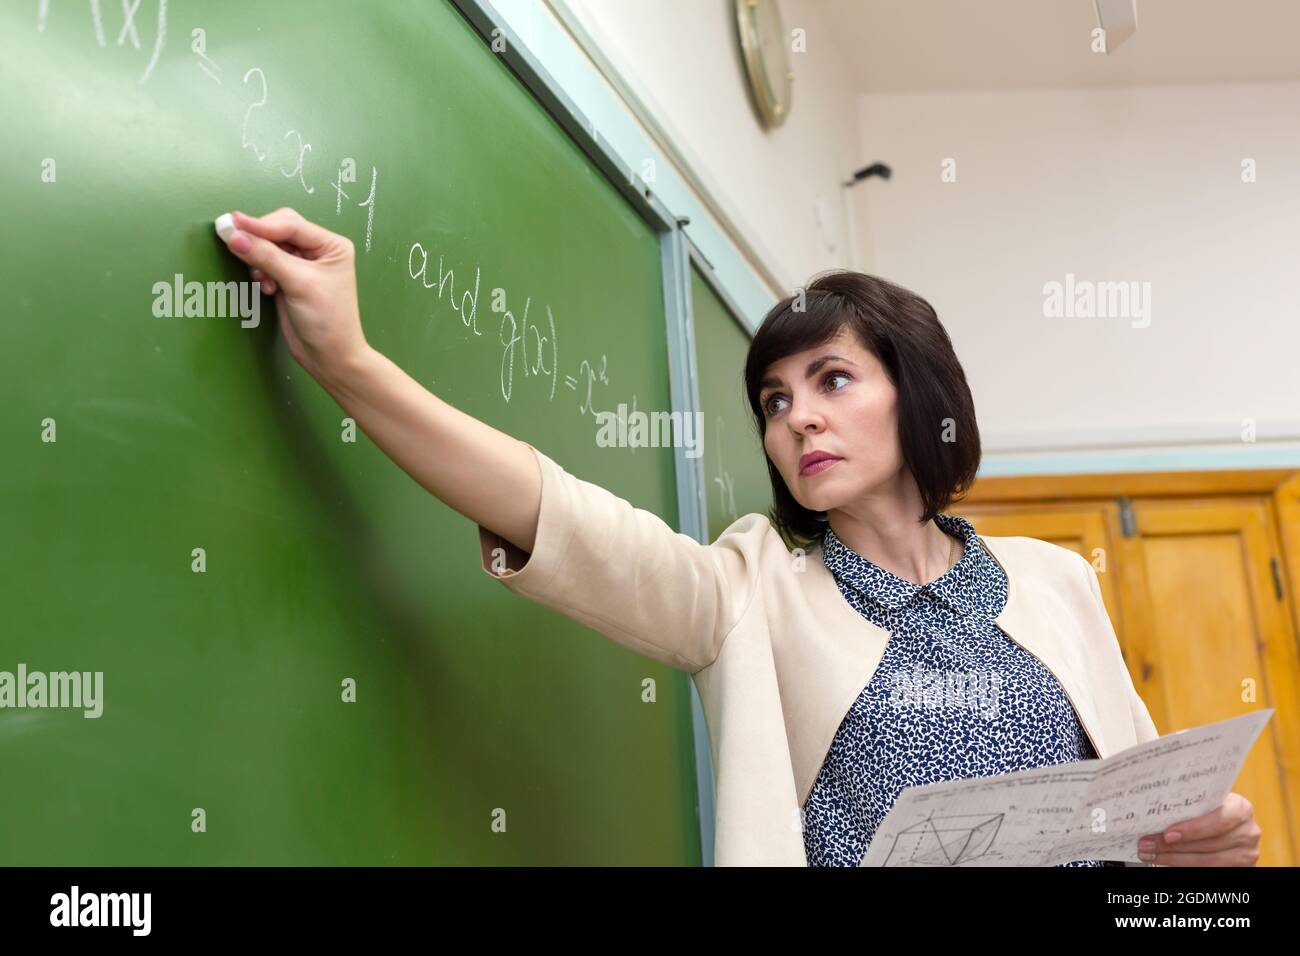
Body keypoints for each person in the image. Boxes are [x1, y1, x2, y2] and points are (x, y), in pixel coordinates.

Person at [218, 207, 1262, 867]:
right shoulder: (748, 588)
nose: (795, 416)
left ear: (920, 393)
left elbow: (1147, 825)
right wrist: (347, 362)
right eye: (773, 397)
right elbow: (556, 512)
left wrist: (1207, 862)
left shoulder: (1052, 581)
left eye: (832, 380)